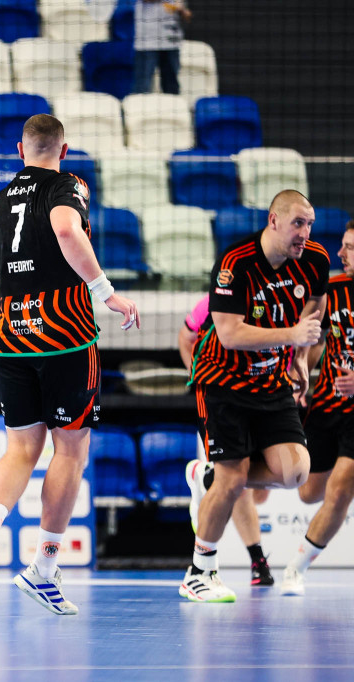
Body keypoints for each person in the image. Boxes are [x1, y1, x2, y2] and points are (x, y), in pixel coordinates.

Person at [0, 114, 140, 616]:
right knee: (71, 449)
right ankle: (43, 569)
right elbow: (65, 228)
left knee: (21, 447)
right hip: (66, 338)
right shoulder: (69, 183)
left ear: (20, 150)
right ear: (63, 151)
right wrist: (105, 291)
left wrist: (12, 327)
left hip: (12, 339)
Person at [180, 190, 329, 603]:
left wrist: (300, 359)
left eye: (311, 223)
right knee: (233, 479)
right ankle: (199, 572)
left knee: (296, 471)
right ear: (273, 220)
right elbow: (228, 334)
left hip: (273, 383)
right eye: (298, 223)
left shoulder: (314, 259)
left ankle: (206, 477)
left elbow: (317, 303)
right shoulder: (235, 264)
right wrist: (291, 335)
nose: (306, 233)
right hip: (222, 381)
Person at [280, 220, 354, 595]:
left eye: (350, 247)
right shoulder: (333, 289)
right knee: (308, 492)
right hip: (326, 404)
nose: (341, 253)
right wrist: (301, 374)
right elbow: (310, 336)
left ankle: (296, 568)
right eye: (342, 245)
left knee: (342, 488)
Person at [178, 295, 274, 586]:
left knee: (260, 487)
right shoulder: (212, 301)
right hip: (222, 401)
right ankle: (256, 559)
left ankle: (206, 477)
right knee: (237, 481)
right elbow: (185, 338)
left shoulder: (281, 298)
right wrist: (198, 376)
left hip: (267, 399)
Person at [132, 0, 191, 94]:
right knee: (143, 86)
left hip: (171, 44)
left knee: (171, 85)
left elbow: (187, 16)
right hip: (147, 43)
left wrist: (181, 10)